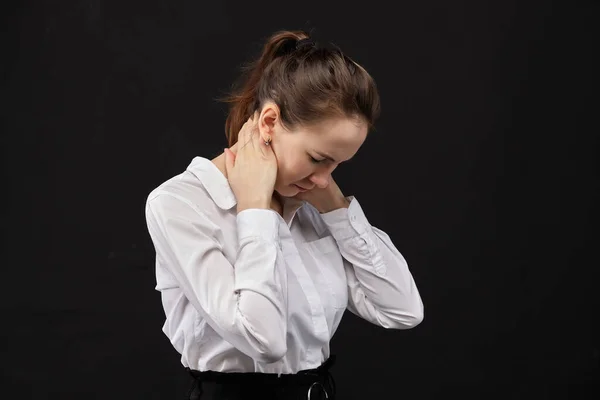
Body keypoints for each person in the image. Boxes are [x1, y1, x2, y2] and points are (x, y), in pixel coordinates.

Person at [144, 29, 424, 400]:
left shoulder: (310, 201)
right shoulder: (181, 204)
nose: (324, 179)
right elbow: (265, 340)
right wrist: (255, 210)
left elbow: (403, 309)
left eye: (338, 165)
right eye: (317, 158)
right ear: (269, 122)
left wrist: (337, 210)